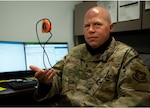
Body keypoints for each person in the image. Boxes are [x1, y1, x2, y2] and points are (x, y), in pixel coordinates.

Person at [30, 6, 150, 107]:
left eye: (97, 24)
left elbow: (136, 100)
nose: (91, 30)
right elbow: (56, 77)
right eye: (87, 26)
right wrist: (46, 84)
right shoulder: (74, 53)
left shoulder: (127, 56)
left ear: (110, 27)